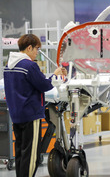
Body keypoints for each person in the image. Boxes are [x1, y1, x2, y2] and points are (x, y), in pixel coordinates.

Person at [4, 34, 67, 177]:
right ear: (29, 47)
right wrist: (55, 75)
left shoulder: (9, 65)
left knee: (20, 152)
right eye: (37, 49)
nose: (37, 53)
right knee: (31, 155)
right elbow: (44, 85)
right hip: (31, 115)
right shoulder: (29, 65)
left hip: (16, 115)